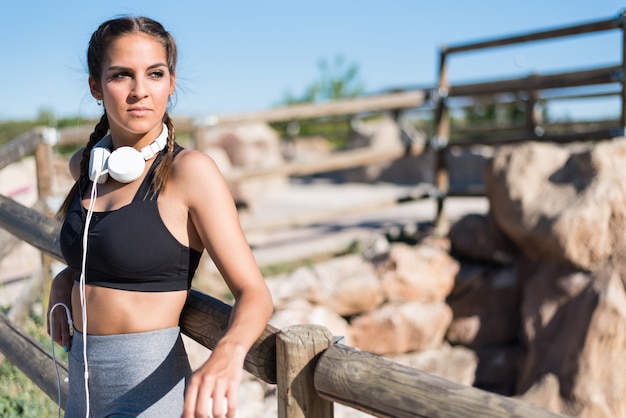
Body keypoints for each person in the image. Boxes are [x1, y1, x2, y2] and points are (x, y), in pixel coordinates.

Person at [46, 16, 273, 418]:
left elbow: (254, 292)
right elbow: (101, 248)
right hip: (82, 394)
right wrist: (69, 277)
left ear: (170, 83)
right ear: (96, 87)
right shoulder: (88, 167)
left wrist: (229, 351)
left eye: (154, 74)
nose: (139, 91)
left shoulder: (191, 173)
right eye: (121, 75)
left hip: (152, 400)